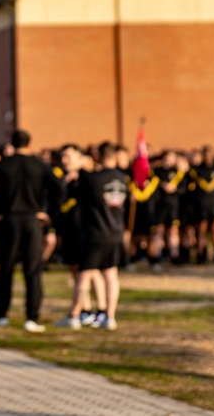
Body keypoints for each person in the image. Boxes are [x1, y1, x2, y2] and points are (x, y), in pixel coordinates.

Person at [0, 129, 62, 333]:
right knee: (33, 270)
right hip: (33, 221)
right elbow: (59, 189)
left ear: (12, 143)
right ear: (29, 143)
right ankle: (32, 317)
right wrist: (48, 213)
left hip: (8, 220)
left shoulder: (3, 165)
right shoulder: (40, 165)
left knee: (6, 269)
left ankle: (0, 314)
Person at [62, 142, 128, 331]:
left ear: (99, 155)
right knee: (111, 274)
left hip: (94, 233)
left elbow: (76, 195)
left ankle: (75, 315)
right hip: (115, 232)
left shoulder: (92, 179)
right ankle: (110, 316)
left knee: (83, 276)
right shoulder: (122, 178)